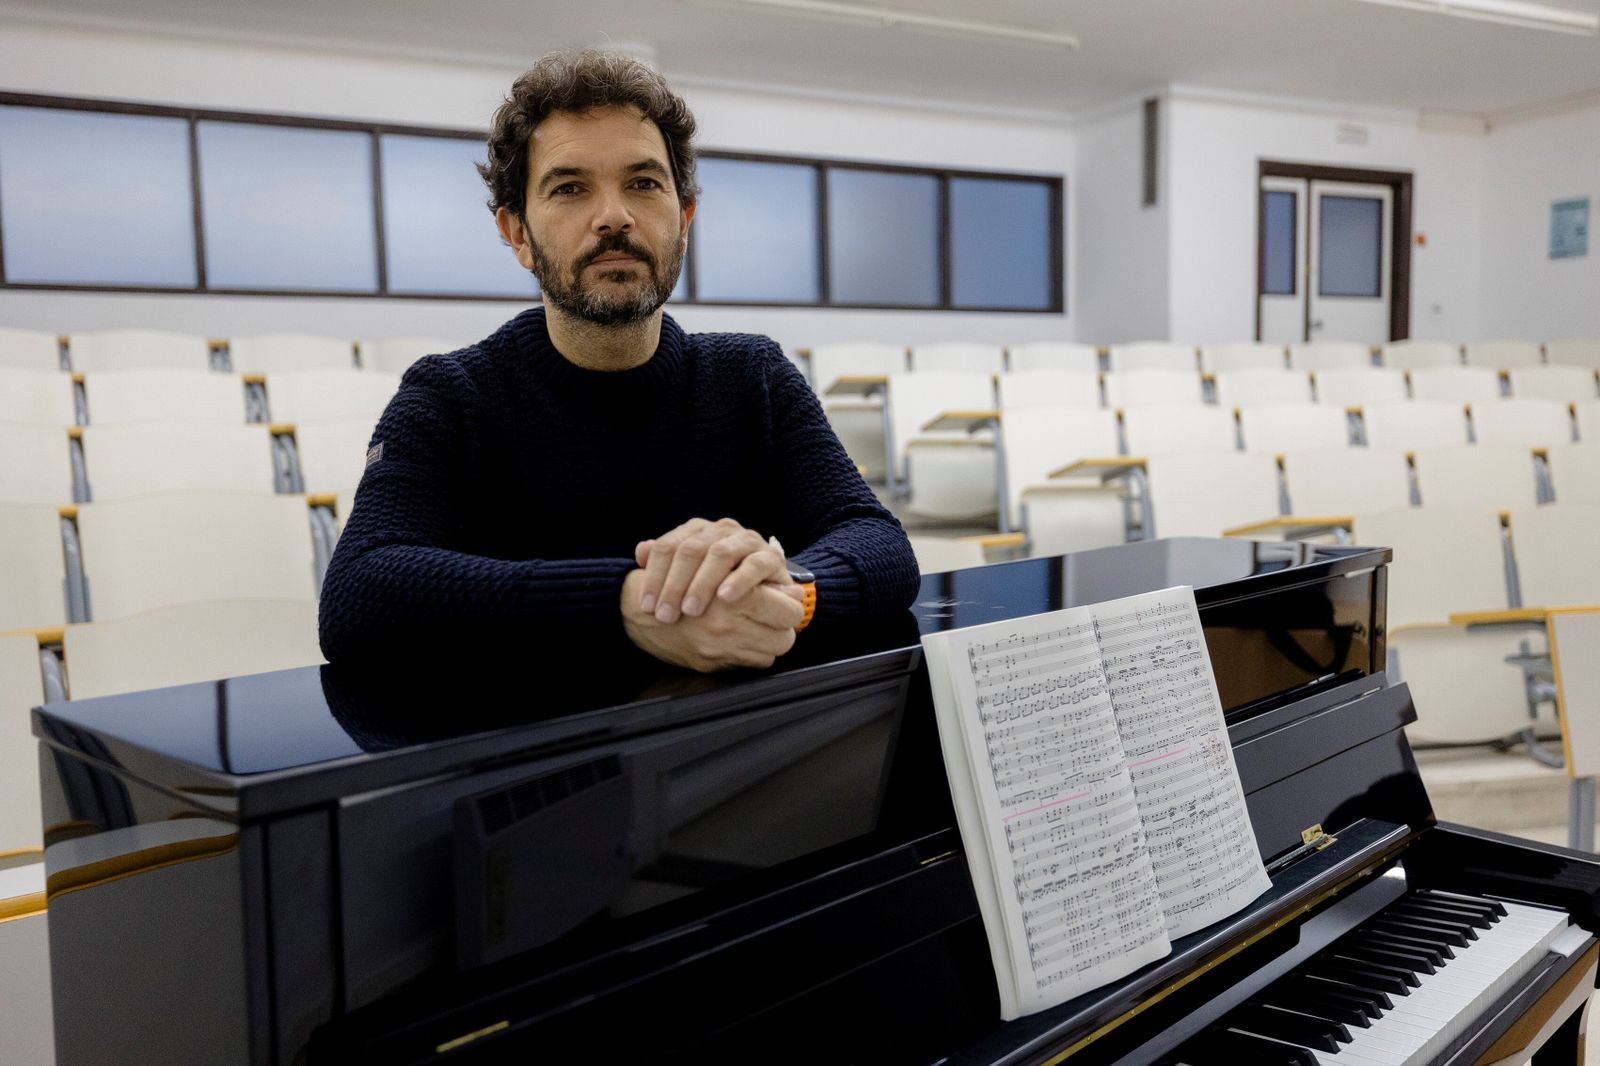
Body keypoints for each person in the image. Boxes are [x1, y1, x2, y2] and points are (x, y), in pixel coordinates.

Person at [318, 49, 920, 672]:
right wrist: (626, 604)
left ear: (684, 218)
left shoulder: (753, 377)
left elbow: (877, 542)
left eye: (644, 183)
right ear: (517, 232)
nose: (614, 216)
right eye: (570, 188)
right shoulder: (449, 395)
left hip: (731, 732)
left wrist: (787, 594)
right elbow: (360, 591)